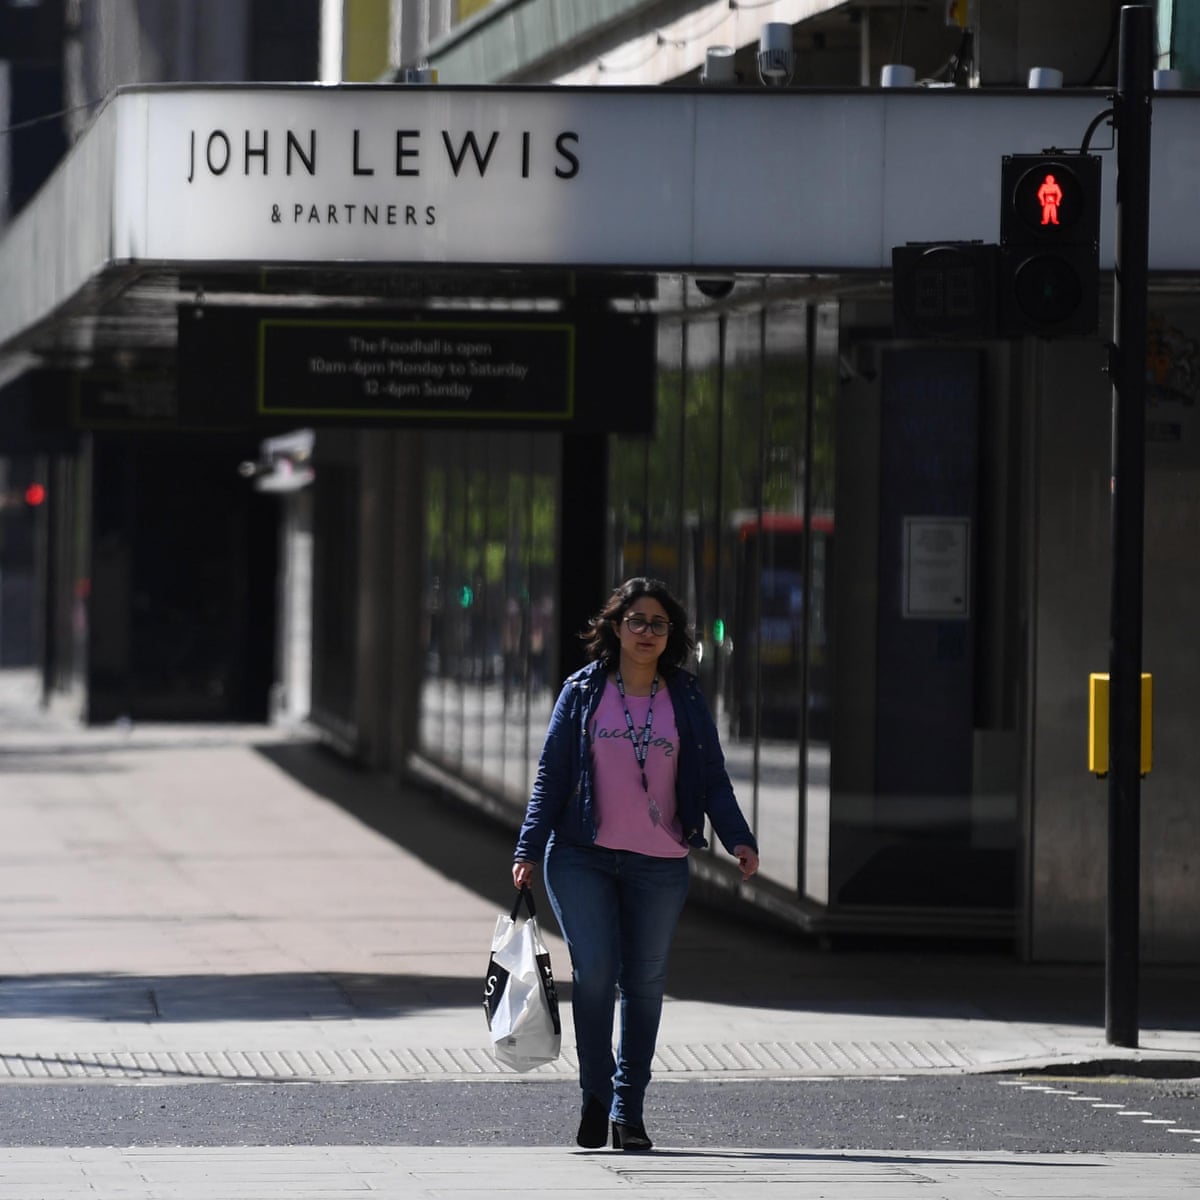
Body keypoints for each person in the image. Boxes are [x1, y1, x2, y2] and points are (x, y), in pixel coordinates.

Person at [512, 577, 759, 1153]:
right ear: (616, 628)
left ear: (671, 635)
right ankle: (595, 1095)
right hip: (581, 855)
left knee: (643, 982)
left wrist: (738, 838)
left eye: (659, 624)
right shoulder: (582, 691)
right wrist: (527, 847)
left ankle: (629, 1108)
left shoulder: (687, 698)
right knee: (596, 973)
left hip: (660, 862)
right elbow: (551, 776)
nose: (647, 633)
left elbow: (712, 777)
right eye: (637, 621)